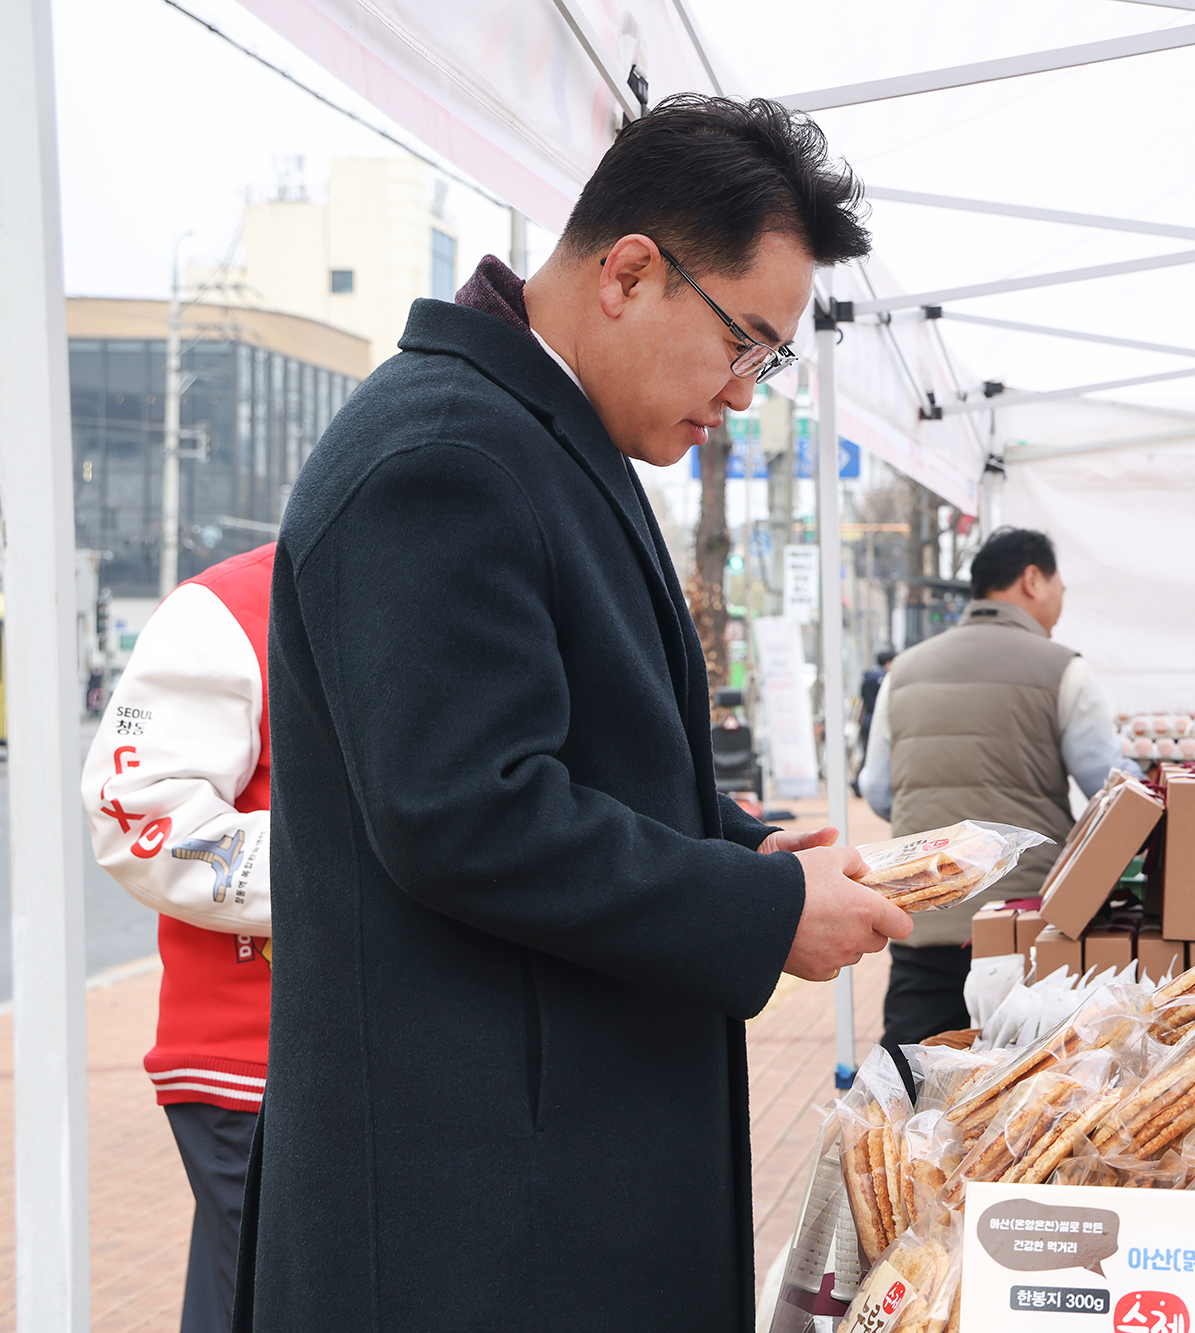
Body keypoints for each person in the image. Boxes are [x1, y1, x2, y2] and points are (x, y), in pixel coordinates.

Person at [236, 97, 910, 1332]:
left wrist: (745, 846)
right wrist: (760, 910)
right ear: (628, 273)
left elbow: (576, 757)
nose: (743, 394)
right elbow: (466, 812)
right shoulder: (443, 455)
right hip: (477, 1227)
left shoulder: (530, 439)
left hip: (533, 1191)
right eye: (745, 344)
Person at [82, 543, 277, 1333]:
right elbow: (136, 813)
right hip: (252, 1062)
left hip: (372, 1054)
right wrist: (352, 876)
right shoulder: (231, 606)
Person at [858, 527, 1125, 1046]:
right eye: (1059, 587)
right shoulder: (1063, 670)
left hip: (921, 919)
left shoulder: (903, 672)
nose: (1060, 601)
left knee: (913, 1076)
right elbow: (1109, 789)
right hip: (1025, 923)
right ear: (1032, 579)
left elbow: (879, 791)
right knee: (1028, 1081)